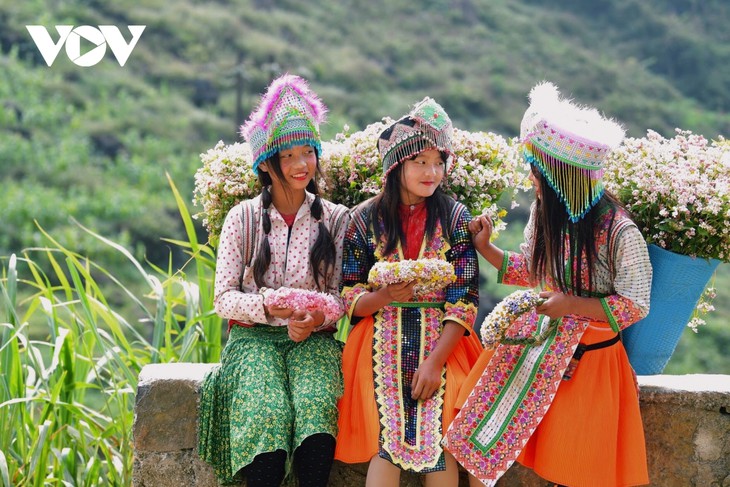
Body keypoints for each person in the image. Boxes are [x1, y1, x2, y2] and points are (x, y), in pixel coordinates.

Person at [444, 82, 652, 487]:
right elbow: (535, 271)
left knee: (572, 465)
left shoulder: (620, 232)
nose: (532, 179)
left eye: (537, 172)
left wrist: (569, 305)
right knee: (474, 428)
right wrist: (486, 248)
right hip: (539, 340)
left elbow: (634, 305)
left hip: (590, 359)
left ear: (562, 178)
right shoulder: (546, 213)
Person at [198, 74, 350, 487]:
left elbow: (341, 296)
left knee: (316, 407)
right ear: (266, 163)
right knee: (267, 411)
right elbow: (223, 298)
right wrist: (266, 306)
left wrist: (314, 319)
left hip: (313, 339)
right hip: (253, 339)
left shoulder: (336, 219)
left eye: (308, 152)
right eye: (289, 156)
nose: (302, 165)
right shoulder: (243, 218)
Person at [334, 97, 483, 487]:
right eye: (420, 162)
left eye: (438, 162)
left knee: (444, 430)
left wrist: (434, 362)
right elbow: (350, 294)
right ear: (396, 166)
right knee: (386, 436)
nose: (431, 172)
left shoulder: (455, 218)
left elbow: (465, 298)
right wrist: (385, 296)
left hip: (446, 338)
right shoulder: (363, 220)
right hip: (378, 333)